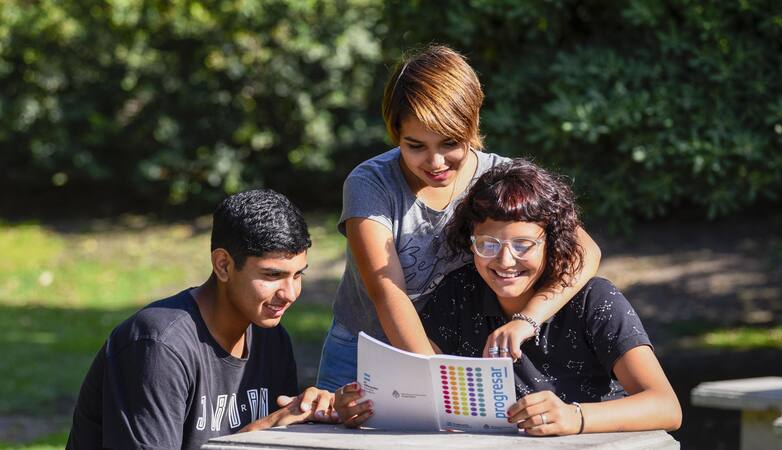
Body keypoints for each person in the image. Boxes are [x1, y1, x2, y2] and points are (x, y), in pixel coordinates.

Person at [316, 45, 602, 391]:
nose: (435, 162)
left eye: (449, 143)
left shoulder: (499, 177)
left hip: (457, 350)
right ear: (396, 134)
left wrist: (530, 319)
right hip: (366, 350)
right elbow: (388, 293)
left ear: (472, 125)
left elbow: (585, 252)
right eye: (415, 145)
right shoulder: (370, 183)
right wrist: (437, 385)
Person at [335, 159, 682, 435]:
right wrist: (367, 407)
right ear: (469, 241)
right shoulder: (458, 294)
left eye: (523, 245)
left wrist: (573, 417)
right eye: (488, 245)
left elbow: (667, 407)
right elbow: (426, 396)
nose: (504, 261)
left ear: (553, 241)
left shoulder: (595, 300)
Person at [67, 189, 338, 450]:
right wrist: (251, 438)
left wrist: (318, 415)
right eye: (272, 275)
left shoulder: (271, 337)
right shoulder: (158, 346)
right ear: (223, 265)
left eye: (298, 274)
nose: (289, 294)